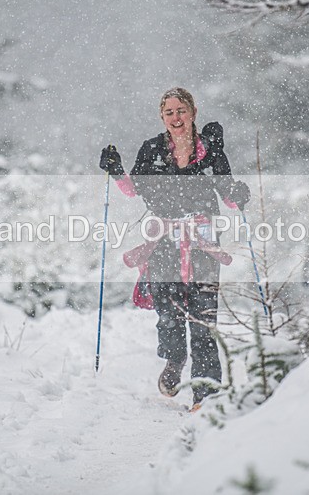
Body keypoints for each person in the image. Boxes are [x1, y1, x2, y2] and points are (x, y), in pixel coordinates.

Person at [98, 87, 250, 410]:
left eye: (181, 110)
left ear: (194, 112)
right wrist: (115, 171)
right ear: (162, 117)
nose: (176, 118)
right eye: (169, 112)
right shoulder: (151, 150)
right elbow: (132, 190)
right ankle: (175, 359)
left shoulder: (210, 152)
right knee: (168, 313)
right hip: (165, 240)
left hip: (204, 241)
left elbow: (229, 195)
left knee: (203, 318)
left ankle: (205, 394)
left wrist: (240, 193)